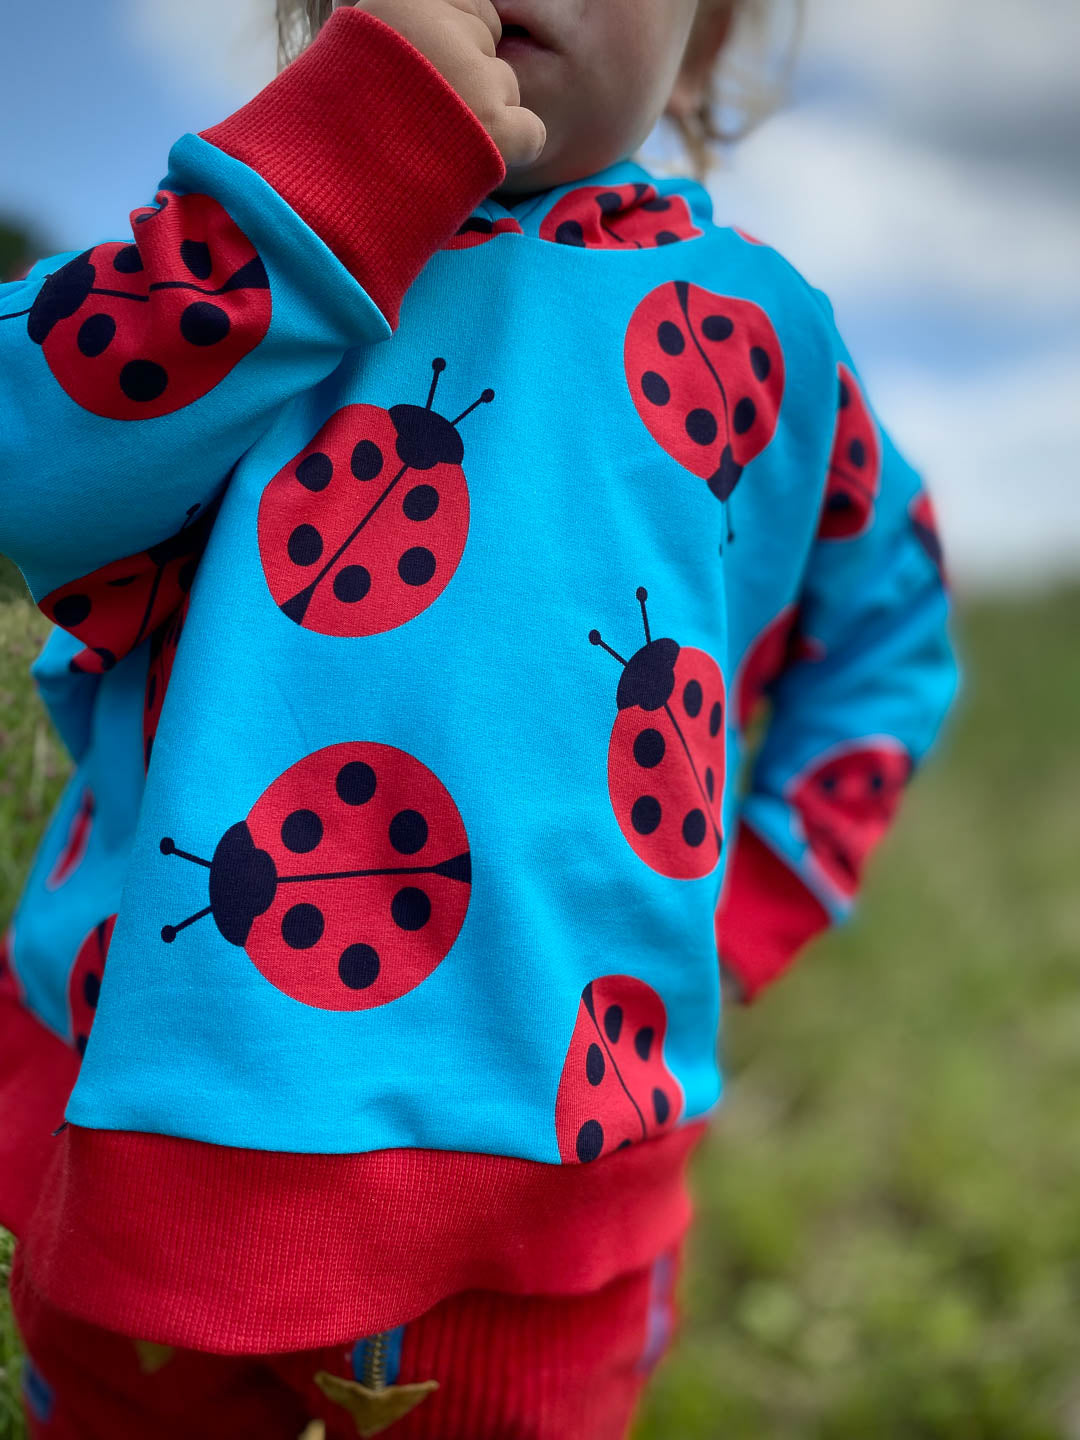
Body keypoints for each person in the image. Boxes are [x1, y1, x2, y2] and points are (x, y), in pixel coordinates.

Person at [0, 0, 959, 1435]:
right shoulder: (255, 239)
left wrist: (761, 889)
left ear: (701, 43)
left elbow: (889, 630)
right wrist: (336, 167)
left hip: (554, 1193)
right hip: (144, 1137)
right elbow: (29, 461)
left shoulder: (767, 340)